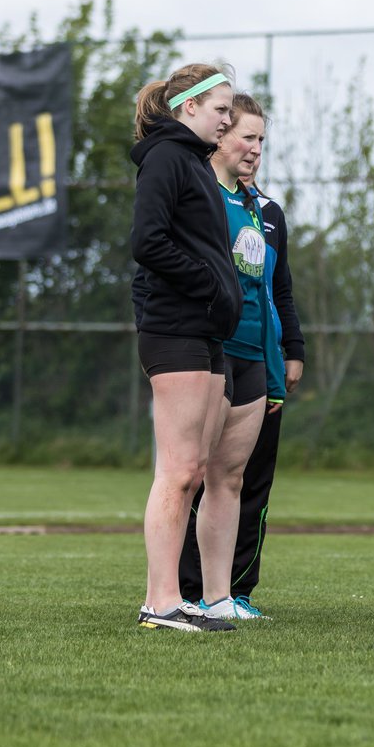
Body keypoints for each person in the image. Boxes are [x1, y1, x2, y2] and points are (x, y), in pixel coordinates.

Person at [131, 64, 240, 632]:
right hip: (175, 326)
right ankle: (161, 603)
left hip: (204, 330)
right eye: (221, 107)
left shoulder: (194, 163)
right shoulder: (167, 158)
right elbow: (146, 242)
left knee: (195, 468)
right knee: (177, 471)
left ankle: (169, 598)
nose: (228, 117)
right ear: (188, 107)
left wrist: (219, 298)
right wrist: (209, 284)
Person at [179, 148, 304, 617]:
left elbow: (277, 288)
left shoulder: (266, 212)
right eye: (245, 136)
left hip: (260, 356)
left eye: (262, 140)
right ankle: (180, 592)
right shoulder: (199, 198)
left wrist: (293, 349)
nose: (254, 150)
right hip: (210, 350)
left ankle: (232, 593)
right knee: (191, 475)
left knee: (243, 482)